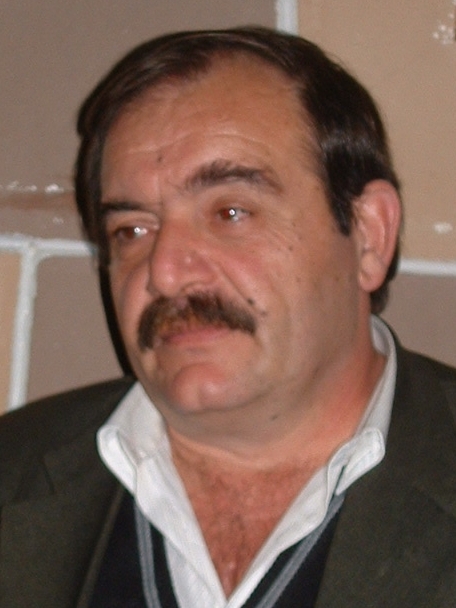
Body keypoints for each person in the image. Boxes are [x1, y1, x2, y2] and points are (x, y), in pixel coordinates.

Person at [1, 26, 456, 608]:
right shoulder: (12, 476)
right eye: (132, 229)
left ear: (369, 236)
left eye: (230, 212)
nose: (165, 272)